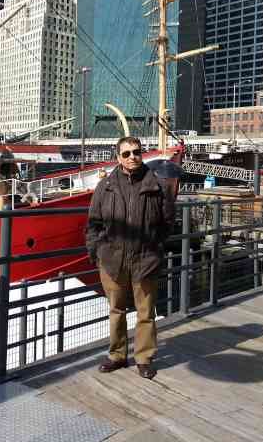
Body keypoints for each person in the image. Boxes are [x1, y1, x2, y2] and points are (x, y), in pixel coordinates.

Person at [86, 136, 175, 379]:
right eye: (126, 154)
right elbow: (93, 224)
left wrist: (156, 249)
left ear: (141, 153)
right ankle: (117, 355)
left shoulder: (157, 186)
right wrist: (96, 253)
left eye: (136, 152)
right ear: (118, 158)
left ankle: (144, 358)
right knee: (116, 310)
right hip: (112, 260)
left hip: (145, 260)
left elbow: (167, 223)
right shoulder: (105, 187)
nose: (132, 157)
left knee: (146, 313)